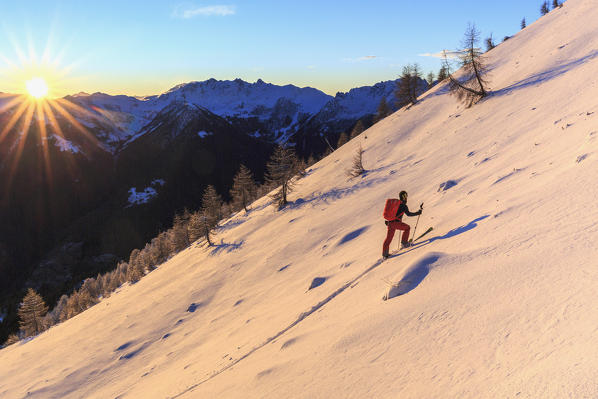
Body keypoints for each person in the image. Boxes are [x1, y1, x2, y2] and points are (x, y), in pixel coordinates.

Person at [382, 191, 422, 259]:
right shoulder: (403, 205)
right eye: (406, 196)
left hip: (390, 223)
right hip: (396, 223)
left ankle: (385, 254)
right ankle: (404, 243)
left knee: (388, 238)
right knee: (407, 228)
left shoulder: (396, 205)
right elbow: (409, 214)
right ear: (405, 197)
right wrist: (418, 213)